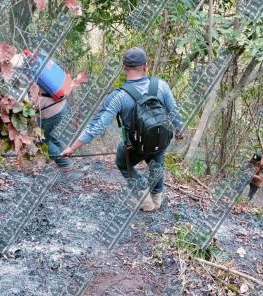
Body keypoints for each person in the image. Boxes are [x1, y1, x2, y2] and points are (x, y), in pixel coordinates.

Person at [61, 47, 183, 211]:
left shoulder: (118, 96)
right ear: (146, 66)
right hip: (160, 138)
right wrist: (180, 130)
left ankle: (145, 200)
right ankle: (157, 198)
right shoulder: (161, 85)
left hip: (134, 145)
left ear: (124, 68)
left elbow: (97, 126)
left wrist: (72, 147)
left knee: (122, 162)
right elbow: (174, 112)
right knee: (157, 160)